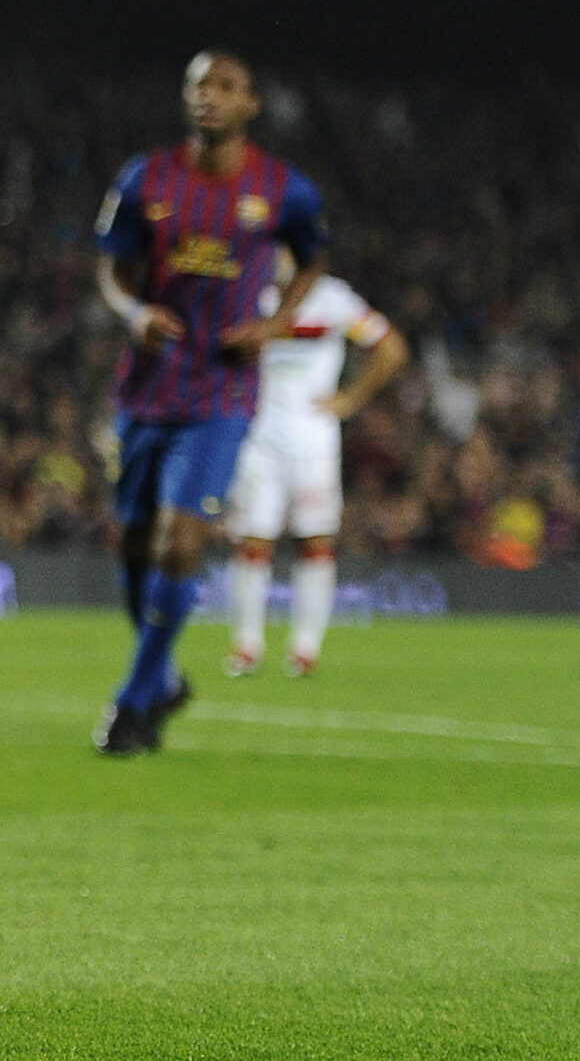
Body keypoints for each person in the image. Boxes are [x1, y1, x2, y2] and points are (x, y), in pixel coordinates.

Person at [91, 51, 326, 755]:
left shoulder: (283, 190)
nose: (209, 98)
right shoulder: (146, 178)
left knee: (181, 539)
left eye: (225, 87)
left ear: (251, 103)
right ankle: (161, 676)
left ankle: (134, 701)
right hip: (147, 386)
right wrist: (132, 312)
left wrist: (276, 321)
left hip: (223, 390)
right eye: (198, 86)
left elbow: (312, 257)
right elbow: (113, 268)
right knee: (136, 543)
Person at [223, 254, 406, 678]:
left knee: (316, 541)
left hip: (313, 441)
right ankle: (247, 646)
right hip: (258, 438)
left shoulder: (332, 298)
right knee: (253, 541)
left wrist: (351, 399)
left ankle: (305, 649)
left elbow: (392, 349)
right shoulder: (250, 294)